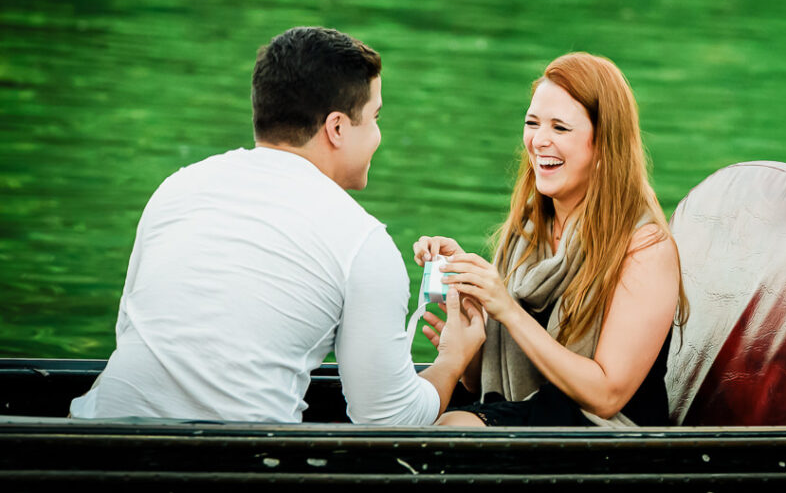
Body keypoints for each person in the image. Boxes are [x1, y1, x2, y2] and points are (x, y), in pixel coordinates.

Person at [70, 26, 484, 424]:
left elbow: (130, 330)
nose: (378, 135)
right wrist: (452, 360)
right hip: (228, 467)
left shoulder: (177, 188)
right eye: (375, 118)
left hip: (88, 437)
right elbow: (390, 420)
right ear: (337, 127)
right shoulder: (361, 242)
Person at [414, 52, 687, 427]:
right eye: (532, 123)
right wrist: (471, 310)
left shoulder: (645, 248)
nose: (539, 140)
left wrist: (506, 309)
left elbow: (607, 396)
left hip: (606, 437)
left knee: (452, 429)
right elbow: (481, 385)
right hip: (531, 413)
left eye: (560, 128)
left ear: (604, 143)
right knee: (414, 408)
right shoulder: (525, 233)